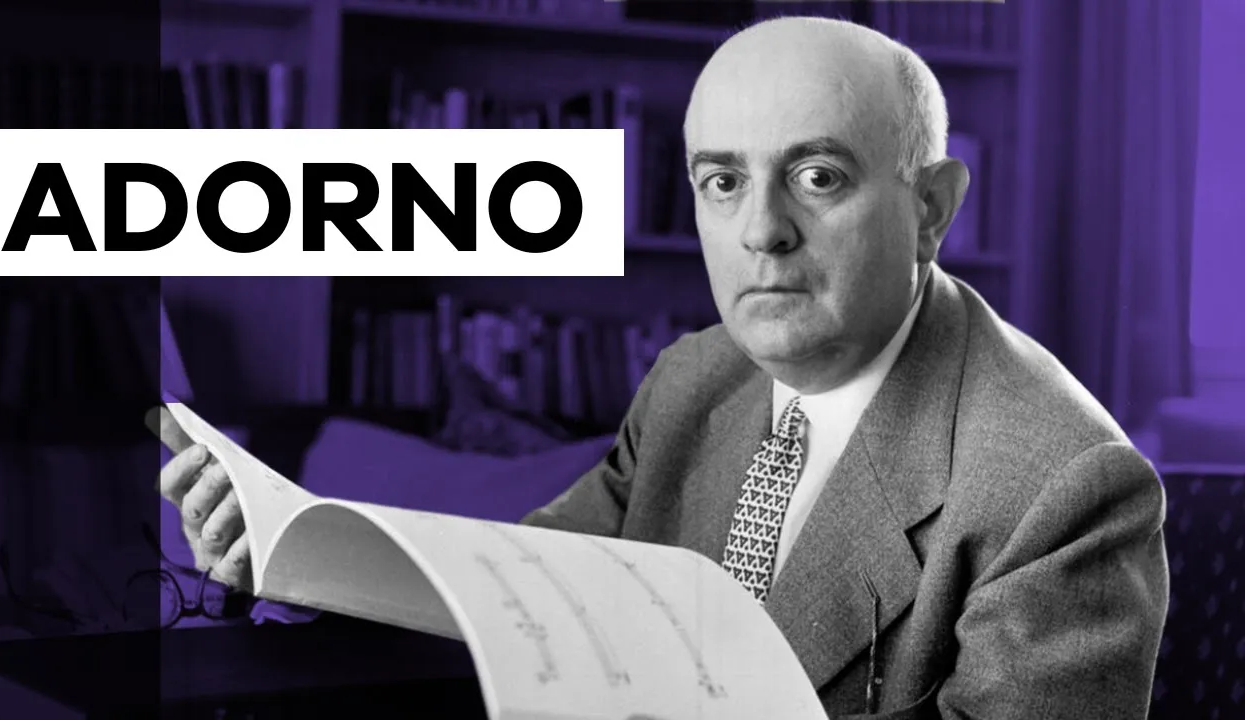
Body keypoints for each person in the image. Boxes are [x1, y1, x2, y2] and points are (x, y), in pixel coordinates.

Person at [157, 16, 1169, 720]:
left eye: (818, 177)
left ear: (932, 209)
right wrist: (297, 553)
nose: (761, 231)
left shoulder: (1060, 486)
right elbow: (525, 589)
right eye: (722, 182)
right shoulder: (695, 378)